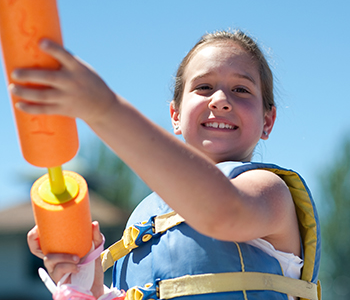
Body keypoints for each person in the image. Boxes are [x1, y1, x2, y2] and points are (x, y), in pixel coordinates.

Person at [12, 30, 321, 300]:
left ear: (268, 121)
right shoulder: (143, 217)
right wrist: (83, 282)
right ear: (175, 115)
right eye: (203, 87)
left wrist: (103, 109)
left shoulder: (269, 192)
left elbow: (222, 212)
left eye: (241, 90)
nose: (220, 100)